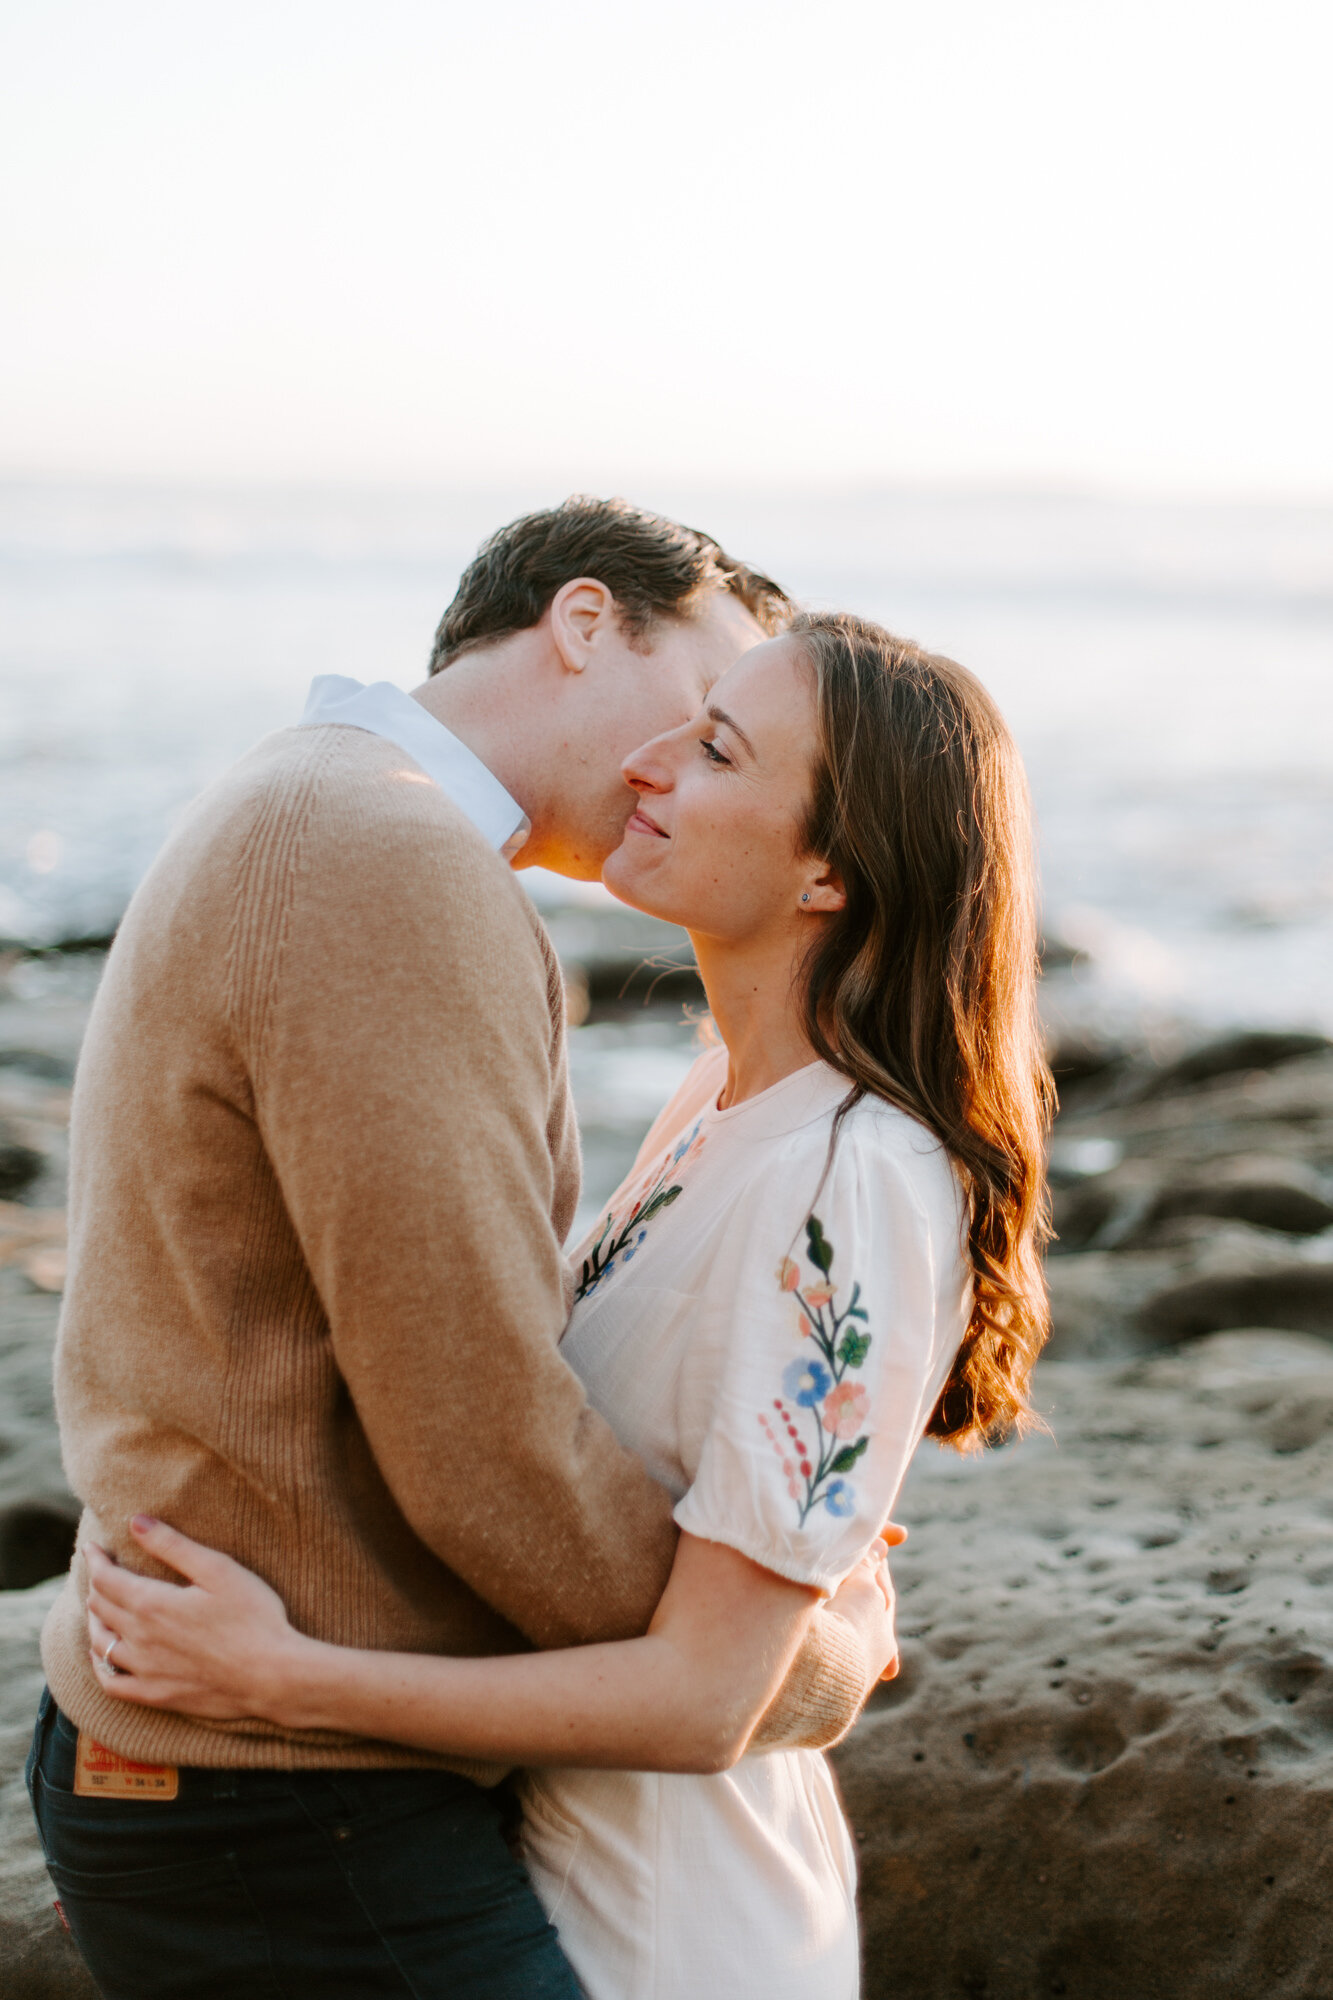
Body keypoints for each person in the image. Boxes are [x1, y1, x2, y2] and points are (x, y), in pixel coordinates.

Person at [83, 612, 1054, 2000]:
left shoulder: (857, 1175)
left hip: (671, 1924)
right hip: (537, 1859)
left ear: (832, 871)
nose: (647, 764)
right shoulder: (714, 1104)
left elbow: (703, 1700)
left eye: (716, 747)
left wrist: (283, 1678)